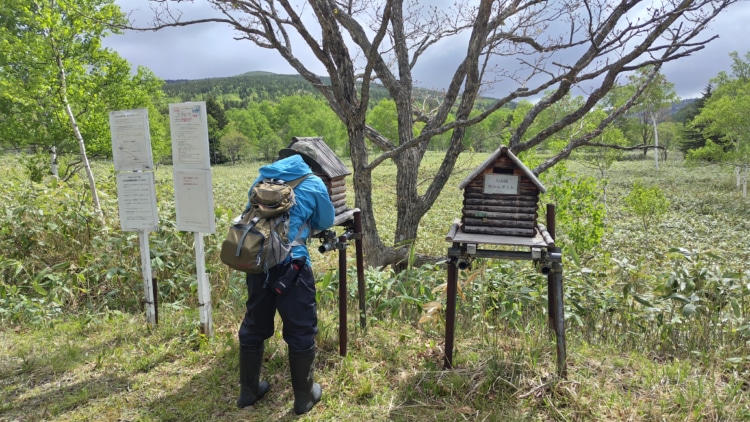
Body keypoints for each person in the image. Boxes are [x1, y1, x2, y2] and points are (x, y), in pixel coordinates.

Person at [236, 140, 335, 415]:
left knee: (254, 324)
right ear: (310, 163)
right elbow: (326, 221)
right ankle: (304, 397)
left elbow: (249, 213)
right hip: (293, 267)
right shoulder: (312, 182)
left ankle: (248, 391)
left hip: (258, 262)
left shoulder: (262, 177)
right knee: (301, 329)